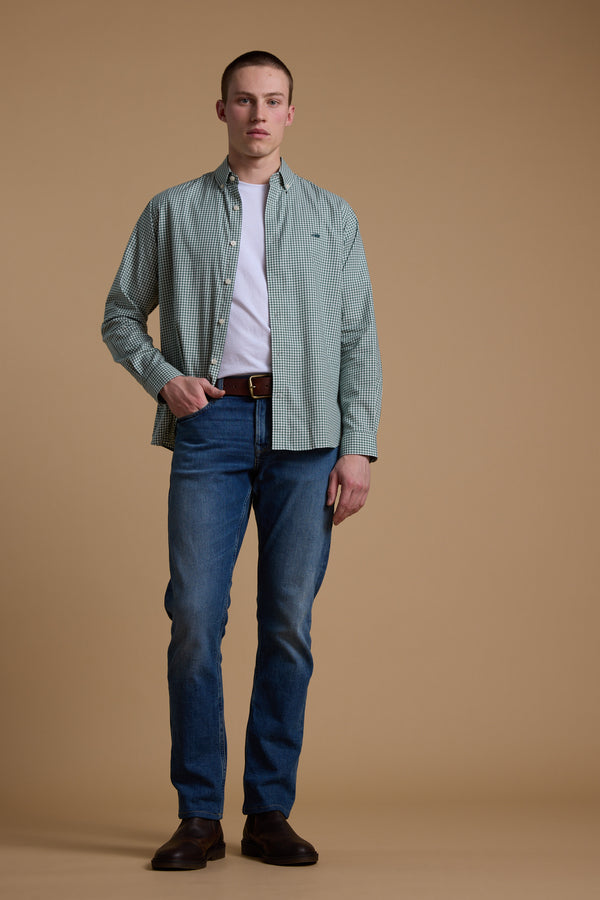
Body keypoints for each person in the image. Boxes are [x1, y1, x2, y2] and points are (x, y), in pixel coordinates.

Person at [102, 50, 381, 870]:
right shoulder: (174, 210)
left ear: (291, 113)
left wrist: (358, 447)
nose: (258, 114)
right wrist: (163, 380)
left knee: (287, 625)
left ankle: (268, 812)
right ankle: (198, 816)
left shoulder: (334, 216)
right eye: (243, 100)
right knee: (195, 618)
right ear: (219, 109)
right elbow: (121, 313)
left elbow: (358, 337)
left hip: (308, 437)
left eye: (274, 100)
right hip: (213, 428)